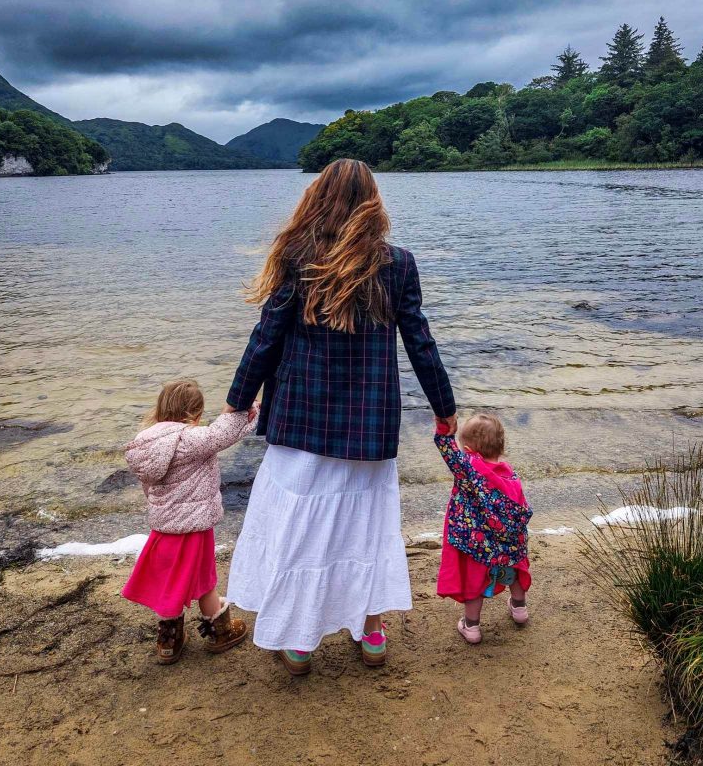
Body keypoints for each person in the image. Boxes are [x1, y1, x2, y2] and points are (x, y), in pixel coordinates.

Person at [223, 158, 457, 675]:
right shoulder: (397, 263)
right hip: (368, 423)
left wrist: (237, 401)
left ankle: (300, 640)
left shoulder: (296, 256)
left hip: (301, 420)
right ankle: (370, 630)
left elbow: (267, 337)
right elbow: (420, 342)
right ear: (373, 203)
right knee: (367, 527)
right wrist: (445, 409)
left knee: (300, 528)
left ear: (318, 198)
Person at [122, 378, 256, 664]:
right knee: (205, 581)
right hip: (195, 526)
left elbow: (148, 487)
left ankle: (169, 642)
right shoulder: (188, 439)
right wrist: (252, 409)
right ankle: (220, 632)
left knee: (171, 582)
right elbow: (224, 431)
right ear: (194, 414)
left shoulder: (145, 443)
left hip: (163, 527)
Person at [434, 411, 532, 645]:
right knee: (515, 572)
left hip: (479, 545)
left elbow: (448, 451)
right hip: (510, 543)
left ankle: (472, 626)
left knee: (475, 582)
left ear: (468, 450)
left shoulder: (469, 470)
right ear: (501, 445)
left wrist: (443, 430)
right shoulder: (510, 474)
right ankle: (519, 610)